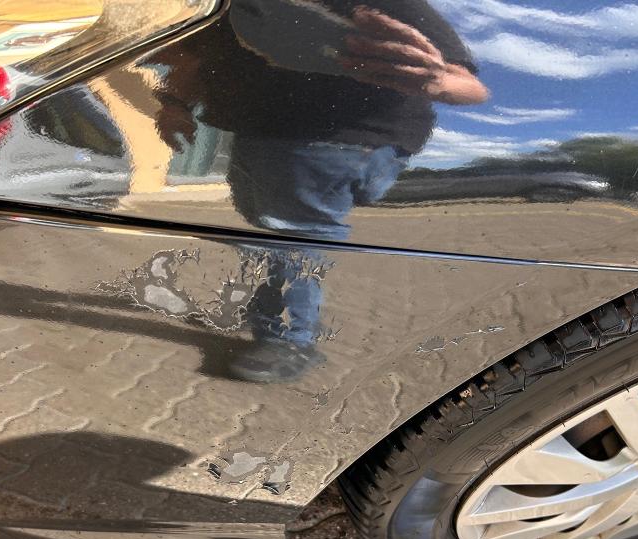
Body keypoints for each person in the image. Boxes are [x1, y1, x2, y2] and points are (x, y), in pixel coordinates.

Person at [151, 1, 487, 381]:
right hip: (256, 131)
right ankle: (281, 294)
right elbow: (198, 55)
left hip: (338, 138)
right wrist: (175, 104)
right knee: (262, 222)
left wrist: (437, 80)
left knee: (294, 234)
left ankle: (289, 339)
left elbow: (471, 87)